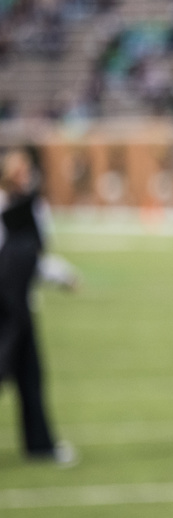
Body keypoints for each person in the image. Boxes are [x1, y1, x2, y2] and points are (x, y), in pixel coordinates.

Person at [0, 148, 76, 465]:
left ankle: (40, 446)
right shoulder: (5, 205)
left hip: (22, 305)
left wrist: (61, 275)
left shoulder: (31, 206)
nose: (25, 175)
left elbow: (33, 256)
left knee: (31, 376)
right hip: (4, 307)